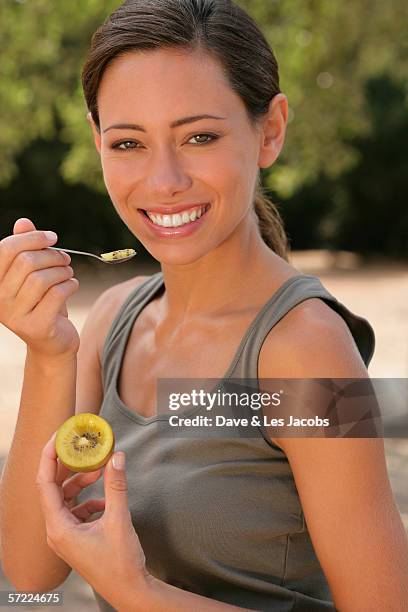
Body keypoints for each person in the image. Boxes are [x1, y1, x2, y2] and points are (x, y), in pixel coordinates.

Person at [1, 0, 407, 610]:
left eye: (199, 136)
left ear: (269, 130)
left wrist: (135, 591)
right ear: (97, 141)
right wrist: (50, 353)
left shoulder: (309, 349)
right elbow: (30, 572)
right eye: (129, 142)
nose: (163, 180)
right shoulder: (114, 320)